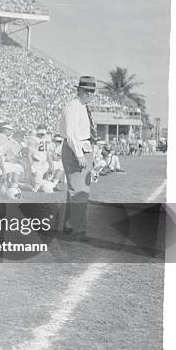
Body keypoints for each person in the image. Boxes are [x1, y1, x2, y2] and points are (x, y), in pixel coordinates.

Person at [59, 76, 97, 239]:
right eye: (86, 90)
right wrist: (80, 155)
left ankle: (69, 225)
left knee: (75, 191)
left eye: (92, 91)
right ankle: (78, 230)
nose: (89, 94)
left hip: (83, 147)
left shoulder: (82, 106)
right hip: (76, 149)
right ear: (79, 90)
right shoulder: (74, 106)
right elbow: (71, 135)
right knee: (80, 192)